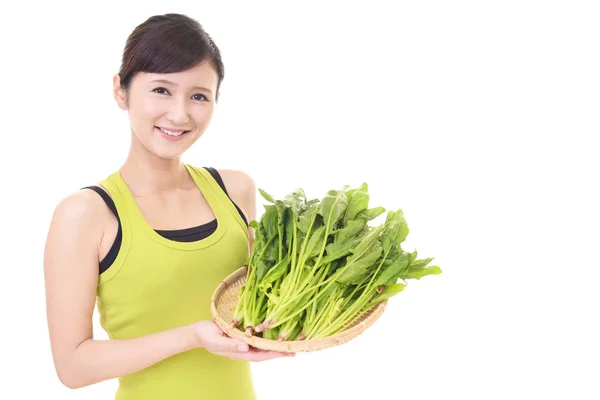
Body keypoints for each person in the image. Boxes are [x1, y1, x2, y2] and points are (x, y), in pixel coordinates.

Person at [43, 13, 294, 400]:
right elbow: (73, 367)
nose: (179, 114)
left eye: (198, 96)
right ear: (120, 91)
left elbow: (255, 304)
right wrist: (193, 336)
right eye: (161, 90)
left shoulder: (235, 191)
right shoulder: (85, 215)